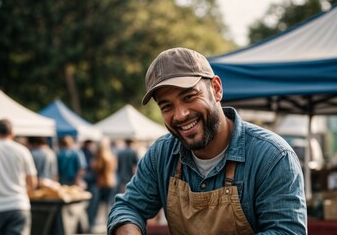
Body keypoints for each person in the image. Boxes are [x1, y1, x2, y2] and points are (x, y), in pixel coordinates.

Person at [107, 47, 307, 234]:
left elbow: (287, 231)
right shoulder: (161, 154)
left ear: (216, 89)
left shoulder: (272, 156)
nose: (180, 114)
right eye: (167, 106)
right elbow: (128, 207)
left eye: (189, 97)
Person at [92, 137, 117, 222]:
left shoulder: (101, 155)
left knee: (100, 205)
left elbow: (97, 167)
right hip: (111, 180)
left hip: (103, 182)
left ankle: (103, 222)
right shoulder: (110, 154)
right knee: (109, 204)